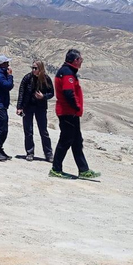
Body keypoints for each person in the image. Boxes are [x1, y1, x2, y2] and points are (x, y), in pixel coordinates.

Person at [49, 49, 101, 179]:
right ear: (76, 60)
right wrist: (76, 106)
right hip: (68, 112)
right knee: (65, 140)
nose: (81, 62)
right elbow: (68, 93)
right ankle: (56, 169)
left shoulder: (68, 71)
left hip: (71, 112)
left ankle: (83, 170)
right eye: (81, 60)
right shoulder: (67, 73)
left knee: (77, 141)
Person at [16, 60, 54, 162]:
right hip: (28, 107)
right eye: (32, 68)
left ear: (40, 69)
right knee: (28, 131)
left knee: (43, 131)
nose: (33, 70)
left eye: (35, 68)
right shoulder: (27, 78)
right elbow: (21, 93)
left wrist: (43, 96)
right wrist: (19, 107)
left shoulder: (46, 79)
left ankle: (49, 154)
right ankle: (30, 152)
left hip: (41, 108)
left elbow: (51, 93)